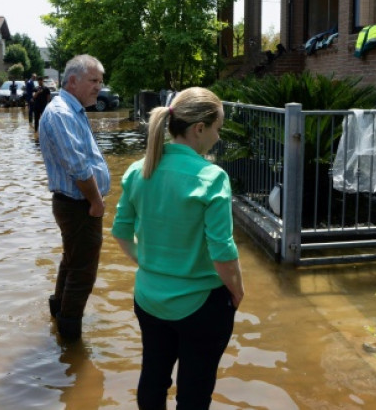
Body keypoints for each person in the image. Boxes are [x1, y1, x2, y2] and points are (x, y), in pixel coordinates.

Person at [111, 87, 243, 410]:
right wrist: (237, 291)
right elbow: (222, 252)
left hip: (149, 298)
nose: (218, 136)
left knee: (153, 379)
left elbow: (120, 232)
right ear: (199, 128)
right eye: (218, 128)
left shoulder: (138, 170)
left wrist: (148, 262)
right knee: (194, 394)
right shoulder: (212, 178)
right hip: (201, 305)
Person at [38, 55, 110, 341]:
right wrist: (96, 201)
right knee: (83, 274)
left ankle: (59, 318)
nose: (99, 87)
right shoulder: (62, 113)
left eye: (100, 81)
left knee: (71, 263)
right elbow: (78, 166)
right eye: (93, 81)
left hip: (78, 203)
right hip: (80, 205)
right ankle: (70, 341)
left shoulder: (71, 109)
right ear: (72, 81)